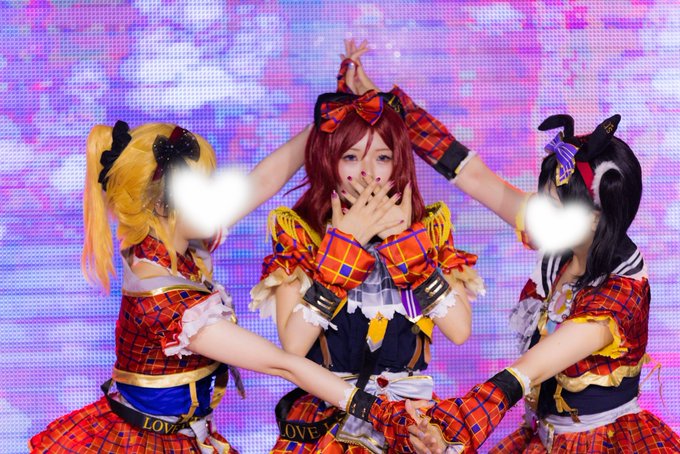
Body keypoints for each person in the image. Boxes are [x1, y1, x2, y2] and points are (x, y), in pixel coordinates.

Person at [29, 119, 416, 453]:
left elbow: (260, 183)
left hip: (182, 434)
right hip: (147, 441)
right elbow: (285, 363)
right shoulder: (165, 299)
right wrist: (382, 412)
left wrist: (321, 124)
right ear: (165, 205)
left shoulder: (165, 245)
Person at [382, 85, 680, 452]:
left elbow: (531, 369)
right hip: (541, 437)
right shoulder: (565, 245)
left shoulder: (621, 290)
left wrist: (456, 424)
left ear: (594, 218)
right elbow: (475, 178)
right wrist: (396, 109)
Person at [249, 40, 483, 453]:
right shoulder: (300, 232)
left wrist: (404, 244)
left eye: (383, 158)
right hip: (331, 417)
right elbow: (293, 346)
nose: (368, 173)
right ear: (329, 160)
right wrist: (346, 246)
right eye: (351, 157)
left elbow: (459, 330)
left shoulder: (430, 228)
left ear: (399, 163)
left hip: (410, 421)